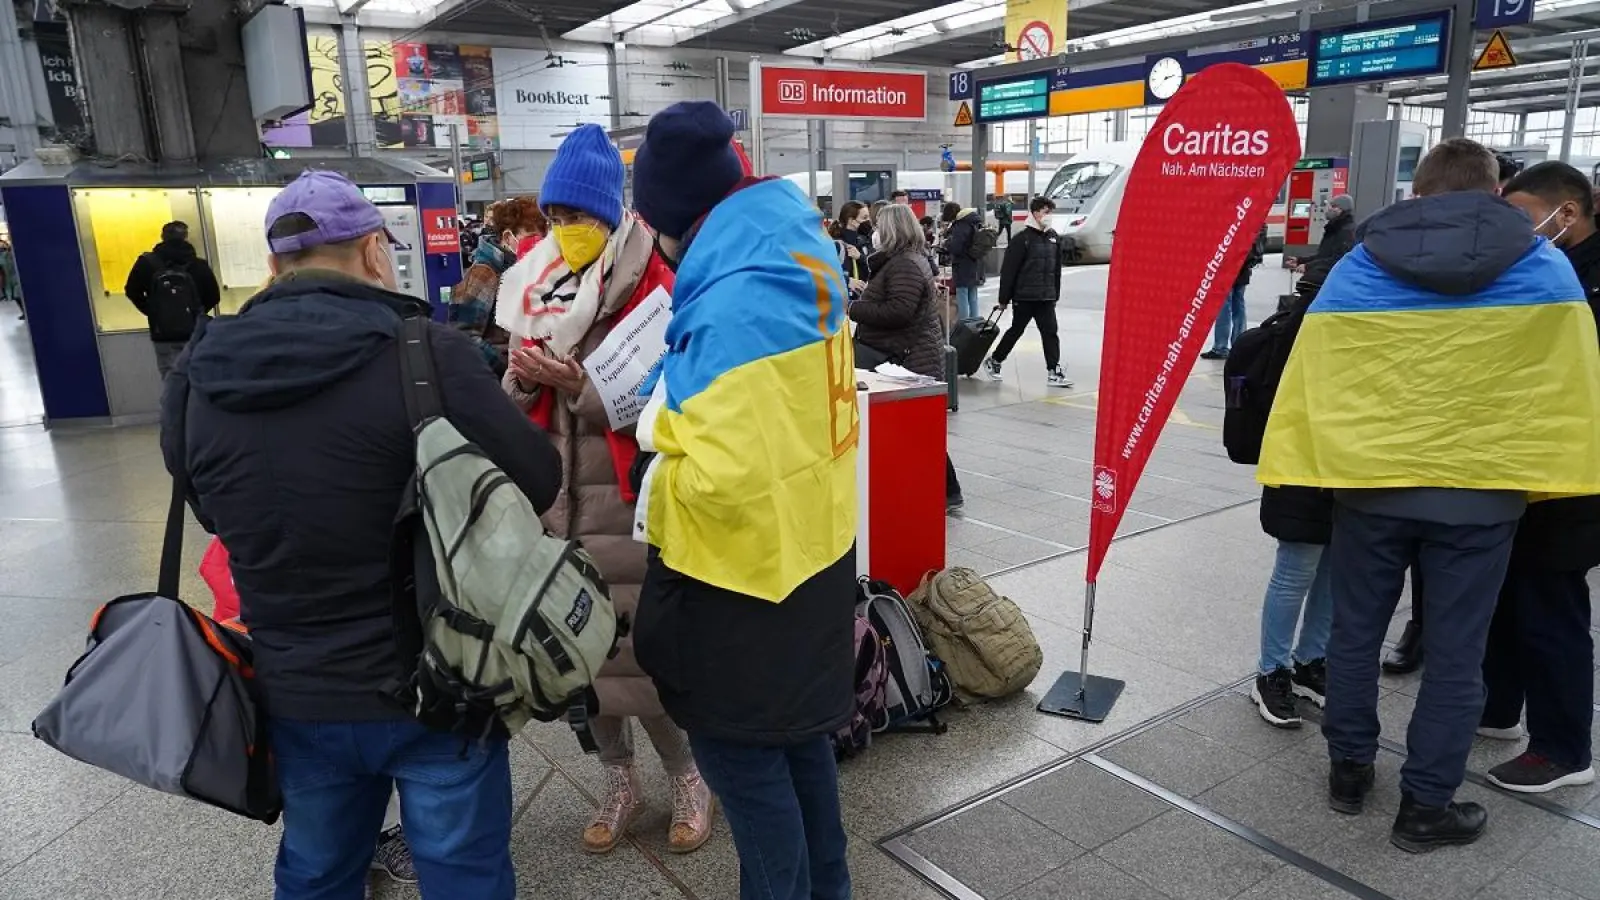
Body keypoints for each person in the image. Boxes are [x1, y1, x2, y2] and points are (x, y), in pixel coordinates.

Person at [161, 170, 563, 899]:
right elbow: (537, 478)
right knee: (464, 875)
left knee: (317, 874)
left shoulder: (197, 369)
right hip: (439, 682)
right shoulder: (423, 353)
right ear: (376, 252)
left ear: (276, 264)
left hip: (295, 687)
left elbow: (212, 509)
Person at [1259, 138, 1600, 852]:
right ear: (1495, 190)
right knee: (1456, 652)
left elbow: (1315, 375)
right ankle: (1425, 808)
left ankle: (1350, 772)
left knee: (1354, 636)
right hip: (1482, 495)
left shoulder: (1356, 266)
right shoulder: (1548, 268)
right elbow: (1566, 389)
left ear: (1417, 192)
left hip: (1370, 486)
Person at [629, 101, 856, 900]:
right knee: (802, 760)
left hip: (743, 587)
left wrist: (652, 477)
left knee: (748, 780)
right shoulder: (796, 253)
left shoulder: (728, 304)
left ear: (672, 215)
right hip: (815, 557)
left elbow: (717, 477)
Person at [493, 124, 714, 855]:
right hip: (556, 500)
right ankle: (619, 781)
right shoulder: (533, 282)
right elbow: (512, 395)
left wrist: (582, 388)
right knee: (577, 658)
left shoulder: (651, 285)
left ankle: (687, 775)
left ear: (610, 214)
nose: (565, 232)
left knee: (638, 656)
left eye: (579, 217)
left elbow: (662, 401)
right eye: (555, 217)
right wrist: (521, 381)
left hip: (624, 499)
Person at [1477, 161, 1600, 793]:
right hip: (1521, 461)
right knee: (1505, 594)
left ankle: (1563, 748)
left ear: (1567, 214)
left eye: (1522, 217)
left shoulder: (1588, 280)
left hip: (1572, 471)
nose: (1514, 231)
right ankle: (1499, 709)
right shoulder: (1536, 267)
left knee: (1552, 604)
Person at [1249, 257, 1337, 729]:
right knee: (1297, 568)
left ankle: (1310, 662)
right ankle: (1272, 671)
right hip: (1302, 466)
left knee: (1331, 569)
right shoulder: (1300, 330)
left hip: (1346, 467)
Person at [849, 204, 964, 513]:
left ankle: (947, 492)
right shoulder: (908, 260)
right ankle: (943, 491)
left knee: (917, 433)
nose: (873, 233)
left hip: (907, 358)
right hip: (908, 353)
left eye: (877, 226)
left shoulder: (905, 265)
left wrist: (854, 308)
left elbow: (898, 311)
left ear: (891, 231)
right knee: (919, 432)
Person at [451, 197, 544, 377]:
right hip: (495, 380)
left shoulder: (523, 270)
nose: (538, 244)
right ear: (508, 237)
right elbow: (462, 335)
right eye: (531, 236)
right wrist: (508, 364)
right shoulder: (484, 273)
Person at [984, 197, 1071, 388]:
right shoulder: (1021, 239)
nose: (1048, 216)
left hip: (1046, 297)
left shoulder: (1053, 237)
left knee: (1050, 332)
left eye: (1050, 212)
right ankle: (995, 360)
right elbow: (1009, 271)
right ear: (1035, 213)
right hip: (1024, 297)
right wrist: (1003, 299)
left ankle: (1053, 371)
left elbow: (1056, 270)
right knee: (1016, 330)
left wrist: (1055, 294)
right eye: (1045, 212)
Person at [125, 221, 222, 378]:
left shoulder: (146, 263)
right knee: (198, 377)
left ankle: (176, 402)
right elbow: (214, 296)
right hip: (194, 332)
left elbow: (131, 291)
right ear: (186, 237)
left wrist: (154, 312)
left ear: (162, 237)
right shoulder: (199, 265)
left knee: (171, 379)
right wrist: (195, 314)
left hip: (163, 334)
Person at [1200, 224, 1266, 360]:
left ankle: (1220, 347)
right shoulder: (1252, 217)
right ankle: (1238, 344)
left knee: (1224, 308)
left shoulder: (1234, 218)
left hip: (1228, 268)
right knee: (1239, 306)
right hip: (1244, 268)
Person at [942, 201, 985, 320]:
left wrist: (946, 243)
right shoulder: (974, 221)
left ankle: (964, 325)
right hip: (975, 262)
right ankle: (974, 323)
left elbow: (957, 247)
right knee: (973, 295)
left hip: (963, 264)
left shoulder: (961, 224)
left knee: (962, 294)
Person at [829, 201, 872, 297]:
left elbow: (874, 268)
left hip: (861, 301)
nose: (868, 221)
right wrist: (846, 280)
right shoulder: (835, 244)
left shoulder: (865, 241)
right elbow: (824, 272)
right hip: (843, 302)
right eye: (864, 218)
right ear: (851, 221)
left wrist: (860, 257)